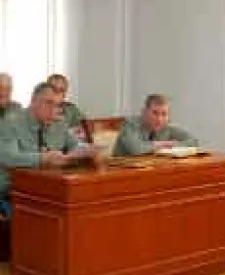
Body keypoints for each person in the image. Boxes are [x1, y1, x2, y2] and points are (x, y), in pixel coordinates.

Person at [0, 82, 102, 215]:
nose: (53, 109)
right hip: (12, 192)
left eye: (57, 105)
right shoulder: (10, 123)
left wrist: (88, 151)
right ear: (33, 101)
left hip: (49, 189)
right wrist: (44, 158)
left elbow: (75, 144)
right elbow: (9, 158)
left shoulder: (59, 123)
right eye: (49, 103)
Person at [113, 93, 199, 157]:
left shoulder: (168, 126)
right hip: (121, 170)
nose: (159, 119)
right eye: (155, 113)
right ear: (144, 112)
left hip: (151, 167)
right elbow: (137, 149)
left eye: (164, 114)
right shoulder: (130, 124)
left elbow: (193, 141)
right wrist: (162, 144)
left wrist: (172, 145)